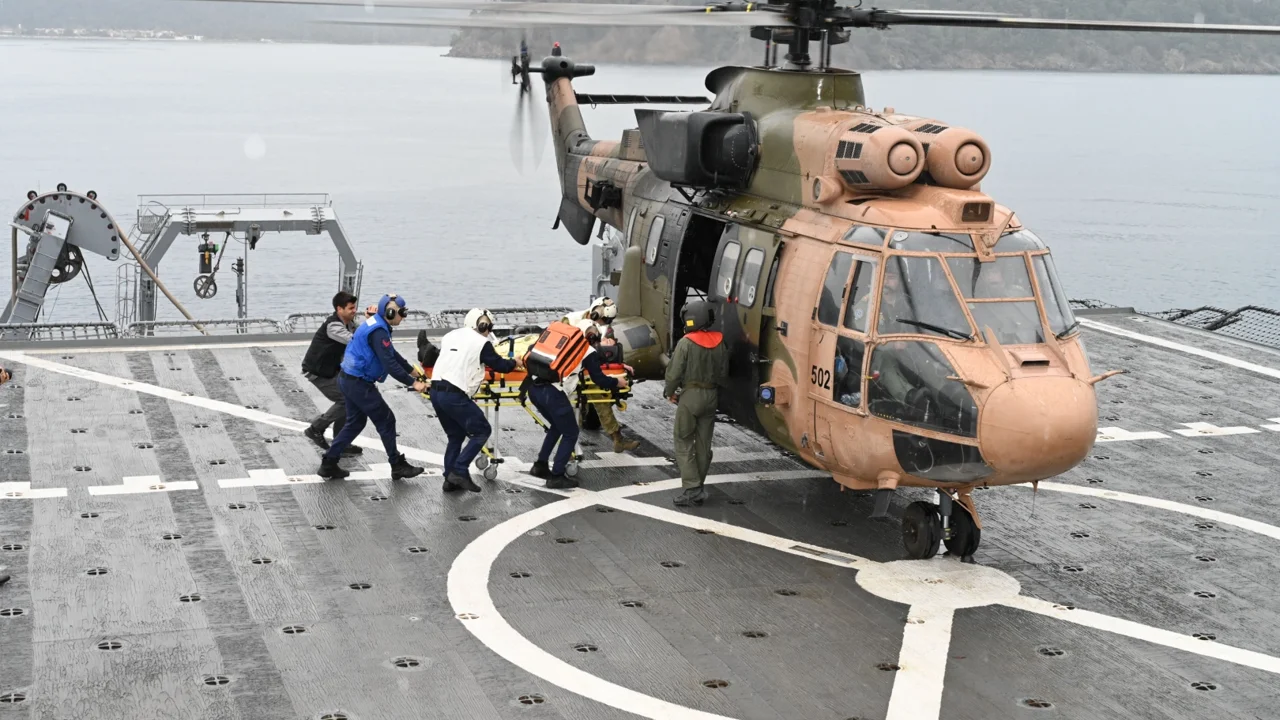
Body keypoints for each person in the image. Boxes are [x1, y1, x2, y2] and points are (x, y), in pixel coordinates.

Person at [317, 294, 427, 481]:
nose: (403, 317)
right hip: (358, 383)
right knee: (386, 420)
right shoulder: (379, 332)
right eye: (401, 313)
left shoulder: (377, 324)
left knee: (355, 423)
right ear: (390, 313)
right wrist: (413, 383)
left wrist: (411, 370)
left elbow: (391, 353)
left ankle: (328, 464)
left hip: (348, 379)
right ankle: (397, 465)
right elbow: (390, 364)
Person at [527, 320, 628, 489]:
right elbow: (599, 379)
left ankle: (540, 466)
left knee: (557, 427)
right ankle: (557, 476)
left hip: (533, 389)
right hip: (553, 394)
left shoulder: (560, 343)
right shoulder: (587, 350)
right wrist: (617, 382)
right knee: (571, 432)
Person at [431, 308, 521, 493]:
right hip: (454, 394)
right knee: (482, 431)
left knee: (455, 436)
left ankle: (450, 480)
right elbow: (500, 365)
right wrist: (515, 362)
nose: (489, 330)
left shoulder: (450, 335)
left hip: (436, 391)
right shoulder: (482, 343)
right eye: (489, 327)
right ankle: (459, 470)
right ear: (482, 325)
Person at [664, 300, 729, 507]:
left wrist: (669, 392)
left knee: (683, 440)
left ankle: (692, 488)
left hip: (691, 395)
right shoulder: (720, 341)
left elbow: (674, 372)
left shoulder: (686, 343)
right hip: (711, 396)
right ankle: (698, 486)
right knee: (703, 444)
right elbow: (724, 372)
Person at [562, 297, 640, 453]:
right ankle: (567, 450)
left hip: (587, 370)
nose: (604, 323)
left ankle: (618, 439)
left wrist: (620, 364)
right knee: (569, 410)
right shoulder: (570, 320)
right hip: (569, 372)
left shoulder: (605, 329)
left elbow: (608, 354)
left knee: (601, 398)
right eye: (603, 319)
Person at [301, 291, 361, 456]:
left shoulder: (350, 324)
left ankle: (341, 442)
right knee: (346, 400)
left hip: (331, 370)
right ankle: (316, 428)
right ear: (339, 309)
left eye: (354, 307)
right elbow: (354, 341)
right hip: (318, 371)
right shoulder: (333, 326)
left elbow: (360, 334)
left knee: (350, 400)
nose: (354, 311)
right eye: (351, 308)